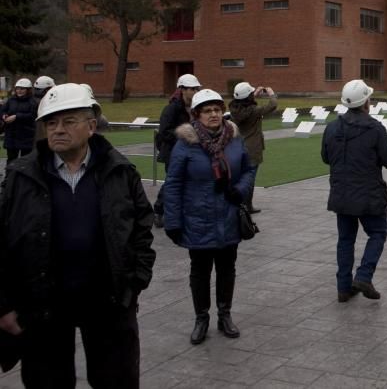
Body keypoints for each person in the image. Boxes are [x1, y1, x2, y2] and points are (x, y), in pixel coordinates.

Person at [0, 83, 155, 387]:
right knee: (48, 380)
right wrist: (3, 304)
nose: (57, 130)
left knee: (115, 379)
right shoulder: (20, 176)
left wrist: (135, 281)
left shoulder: (120, 172)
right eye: (51, 123)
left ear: (92, 126)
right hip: (43, 304)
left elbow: (141, 227)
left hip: (108, 302)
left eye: (69, 121)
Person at [162, 89, 256, 345]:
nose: (213, 114)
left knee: (227, 268)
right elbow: (173, 183)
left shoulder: (234, 139)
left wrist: (240, 190)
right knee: (200, 271)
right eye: (207, 110)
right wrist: (172, 220)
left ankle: (224, 315)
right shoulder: (186, 144)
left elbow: (248, 169)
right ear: (197, 115)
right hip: (198, 217)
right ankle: (201, 317)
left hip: (228, 215)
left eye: (217, 109)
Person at [321, 79, 387, 303]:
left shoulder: (332, 127)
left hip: (341, 194)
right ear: (366, 101)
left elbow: (326, 158)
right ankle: (364, 275)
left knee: (345, 239)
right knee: (377, 233)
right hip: (368, 194)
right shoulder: (374, 128)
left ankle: (344, 288)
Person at [152, 73, 202, 227]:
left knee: (188, 182)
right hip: (173, 153)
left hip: (191, 153)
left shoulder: (196, 108)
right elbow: (164, 132)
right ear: (182, 89)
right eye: (191, 89)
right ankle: (159, 211)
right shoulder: (172, 109)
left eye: (196, 89)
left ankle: (182, 212)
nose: (194, 92)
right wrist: (184, 137)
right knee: (172, 183)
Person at [227, 81, 278, 214]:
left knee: (238, 177)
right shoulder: (254, 111)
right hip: (252, 148)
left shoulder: (234, 108)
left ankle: (239, 204)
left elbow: (244, 103)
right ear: (248, 97)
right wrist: (271, 94)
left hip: (237, 148)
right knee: (249, 179)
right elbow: (272, 105)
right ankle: (246, 206)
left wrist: (253, 94)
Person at [1, 78, 37, 163]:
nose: (19, 91)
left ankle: (23, 177)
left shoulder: (32, 102)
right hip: (11, 135)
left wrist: (17, 116)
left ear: (28, 90)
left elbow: (33, 115)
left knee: (25, 161)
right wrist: (3, 115)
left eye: (22, 89)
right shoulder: (11, 100)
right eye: (17, 88)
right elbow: (3, 110)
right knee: (11, 160)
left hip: (26, 136)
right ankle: (10, 176)